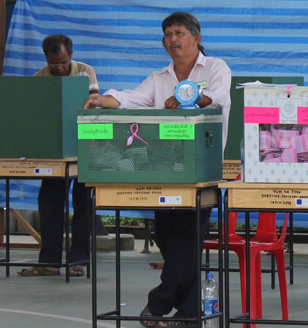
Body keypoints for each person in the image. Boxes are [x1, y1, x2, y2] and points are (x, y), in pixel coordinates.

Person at [83, 12, 231, 327]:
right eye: (167, 34)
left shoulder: (217, 67)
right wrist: (103, 100)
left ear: (196, 37)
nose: (172, 40)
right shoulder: (159, 77)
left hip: (202, 173)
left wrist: (193, 99)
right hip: (164, 171)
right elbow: (131, 99)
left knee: (188, 239)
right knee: (167, 238)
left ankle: (159, 303)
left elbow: (217, 97)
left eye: (178, 33)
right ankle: (191, 313)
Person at [18, 34, 100, 277]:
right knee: (49, 204)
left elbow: (93, 104)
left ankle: (79, 261)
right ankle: (49, 260)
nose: (59, 68)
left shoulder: (86, 72)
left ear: (71, 55)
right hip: (54, 153)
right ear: (46, 58)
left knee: (84, 205)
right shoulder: (39, 78)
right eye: (54, 64)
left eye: (63, 63)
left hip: (85, 146)